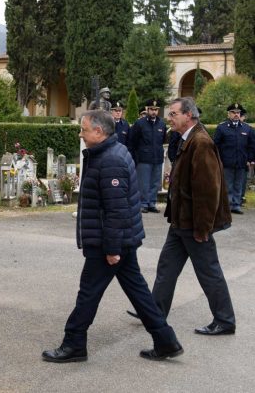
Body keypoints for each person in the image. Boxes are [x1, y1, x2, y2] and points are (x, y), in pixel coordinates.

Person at [42, 110, 182, 363]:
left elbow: (116, 209)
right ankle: (166, 340)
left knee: (88, 293)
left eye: (84, 129)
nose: (81, 134)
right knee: (138, 292)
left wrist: (113, 248)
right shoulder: (110, 152)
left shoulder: (111, 160)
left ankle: (74, 344)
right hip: (119, 239)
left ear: (99, 131)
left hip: (109, 241)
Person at [131, 97, 235, 335]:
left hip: (193, 224)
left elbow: (208, 192)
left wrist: (203, 228)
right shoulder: (187, 138)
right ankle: (154, 313)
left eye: (173, 114)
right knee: (167, 267)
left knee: (209, 272)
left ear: (189, 115)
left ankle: (225, 320)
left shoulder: (201, 142)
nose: (169, 118)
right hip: (180, 221)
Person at [213, 103, 255, 214]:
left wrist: (250, 159)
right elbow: (216, 145)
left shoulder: (247, 128)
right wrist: (218, 160)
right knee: (227, 185)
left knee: (239, 184)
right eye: (233, 112)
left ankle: (236, 205)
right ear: (228, 114)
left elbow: (251, 146)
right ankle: (227, 205)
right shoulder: (222, 128)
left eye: (238, 113)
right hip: (226, 162)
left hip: (242, 162)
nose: (236, 114)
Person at [128, 99, 166, 213]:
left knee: (155, 183)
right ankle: (143, 204)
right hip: (143, 158)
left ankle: (152, 203)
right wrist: (135, 157)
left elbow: (163, 140)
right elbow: (132, 141)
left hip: (157, 158)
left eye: (156, 109)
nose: (154, 112)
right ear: (147, 109)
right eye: (151, 109)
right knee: (143, 183)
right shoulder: (140, 123)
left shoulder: (162, 124)